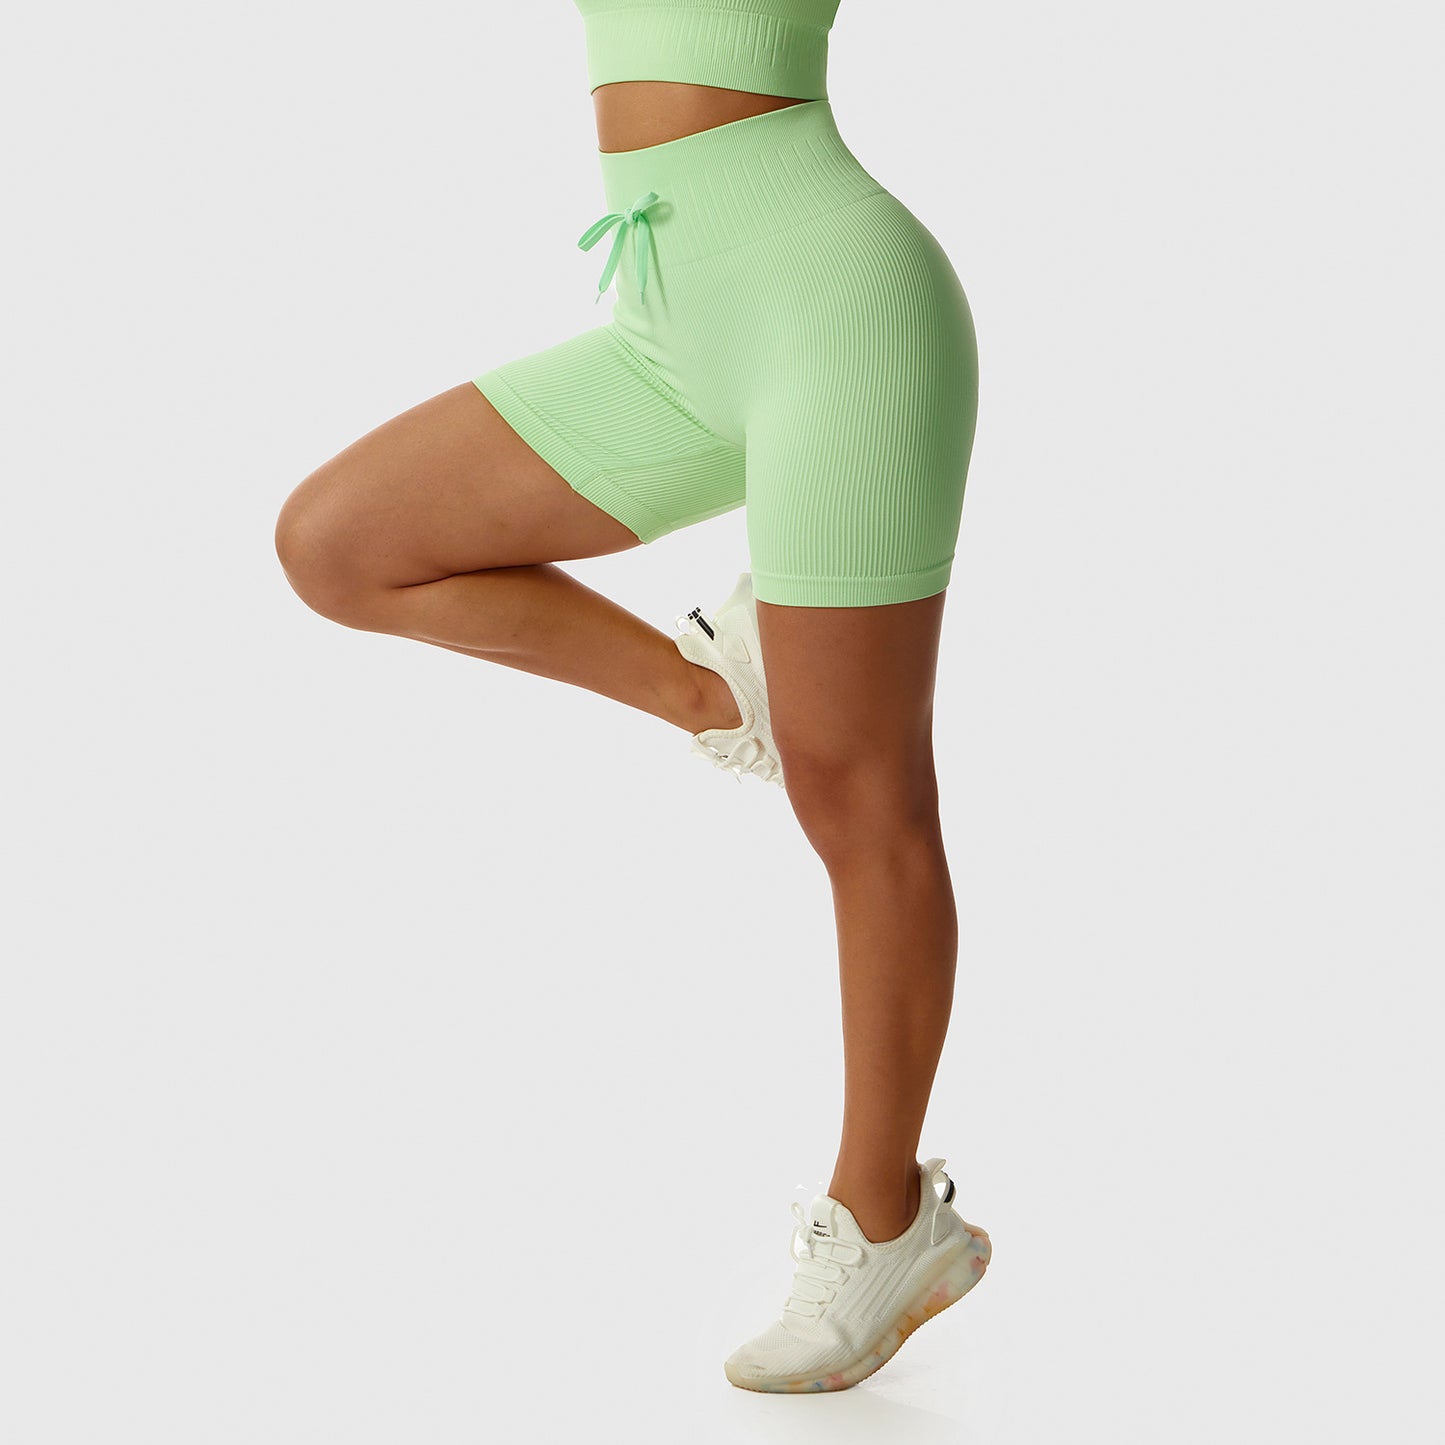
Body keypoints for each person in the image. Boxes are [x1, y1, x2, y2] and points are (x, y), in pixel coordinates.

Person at [273, 0, 989, 1394]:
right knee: (342, 543)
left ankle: (885, 1218)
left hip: (840, 313)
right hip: (670, 326)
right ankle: (716, 689)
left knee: (861, 793)